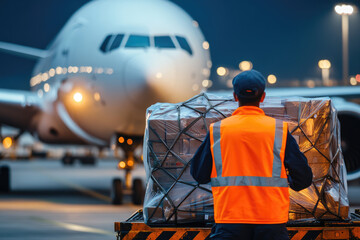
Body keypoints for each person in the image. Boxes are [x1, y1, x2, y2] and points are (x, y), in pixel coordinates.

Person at [190, 69, 313, 240]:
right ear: (262, 97)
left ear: (235, 96)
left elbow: (199, 175)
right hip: (271, 223)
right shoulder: (280, 131)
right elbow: (303, 179)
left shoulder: (217, 131)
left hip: (229, 220)